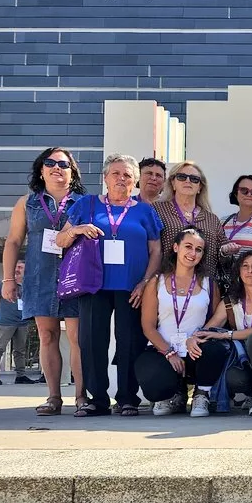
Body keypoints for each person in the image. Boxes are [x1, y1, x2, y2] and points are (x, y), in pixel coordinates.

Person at [57, 153, 163, 417]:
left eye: (127, 175)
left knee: (130, 342)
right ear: (105, 178)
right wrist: (77, 230)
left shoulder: (144, 210)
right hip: (94, 285)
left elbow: (157, 251)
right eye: (116, 173)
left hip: (132, 287)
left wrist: (146, 283)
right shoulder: (86, 205)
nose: (121, 179)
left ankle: (128, 398)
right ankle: (97, 399)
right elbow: (60, 240)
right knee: (92, 341)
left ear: (135, 182)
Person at [2, 147, 87, 415]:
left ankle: (82, 397)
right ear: (41, 169)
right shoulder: (26, 202)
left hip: (75, 279)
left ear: (72, 172)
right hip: (39, 278)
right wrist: (8, 279)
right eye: (50, 163)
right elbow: (14, 241)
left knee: (77, 338)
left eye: (63, 164)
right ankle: (53, 397)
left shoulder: (84, 202)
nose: (56, 168)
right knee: (47, 336)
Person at [134, 227, 227, 417]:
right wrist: (169, 352)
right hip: (163, 350)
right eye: (188, 246)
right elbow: (148, 325)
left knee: (215, 350)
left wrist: (196, 337)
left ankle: (202, 394)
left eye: (199, 249)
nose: (193, 253)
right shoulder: (157, 281)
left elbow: (215, 322)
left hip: (196, 350)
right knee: (155, 386)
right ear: (176, 247)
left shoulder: (209, 283)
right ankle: (174, 394)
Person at [200, 250, 252, 415]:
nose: (250, 271)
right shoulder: (229, 302)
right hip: (242, 361)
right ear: (238, 272)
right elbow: (210, 328)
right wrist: (192, 338)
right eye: (245, 266)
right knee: (232, 377)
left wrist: (226, 334)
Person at [154, 161, 233, 279]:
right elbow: (150, 249)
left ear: (200, 187)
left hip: (203, 285)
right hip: (167, 284)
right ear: (173, 183)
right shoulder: (157, 210)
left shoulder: (211, 219)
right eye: (181, 177)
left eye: (194, 179)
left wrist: (226, 251)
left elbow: (223, 256)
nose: (188, 181)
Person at [0, 261, 34, 385]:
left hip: (22, 322)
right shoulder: (2, 284)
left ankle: (20, 376)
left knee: (20, 350)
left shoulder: (27, 286)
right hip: (5, 322)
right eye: (16, 266)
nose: (17, 269)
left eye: (20, 267)